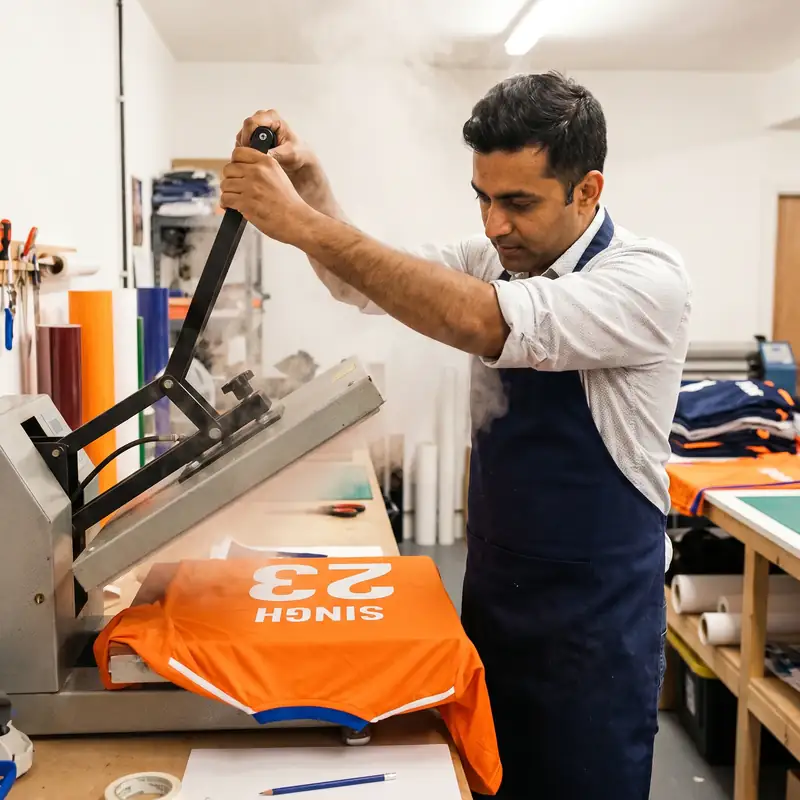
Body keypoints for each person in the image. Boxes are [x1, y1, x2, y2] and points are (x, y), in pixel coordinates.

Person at [221, 71, 692, 800]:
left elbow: (485, 321)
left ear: (588, 191)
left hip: (594, 635)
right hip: (496, 602)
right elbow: (363, 283)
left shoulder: (644, 280)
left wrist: (301, 223)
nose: (493, 225)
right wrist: (312, 190)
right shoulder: (496, 259)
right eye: (482, 197)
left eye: (518, 203)